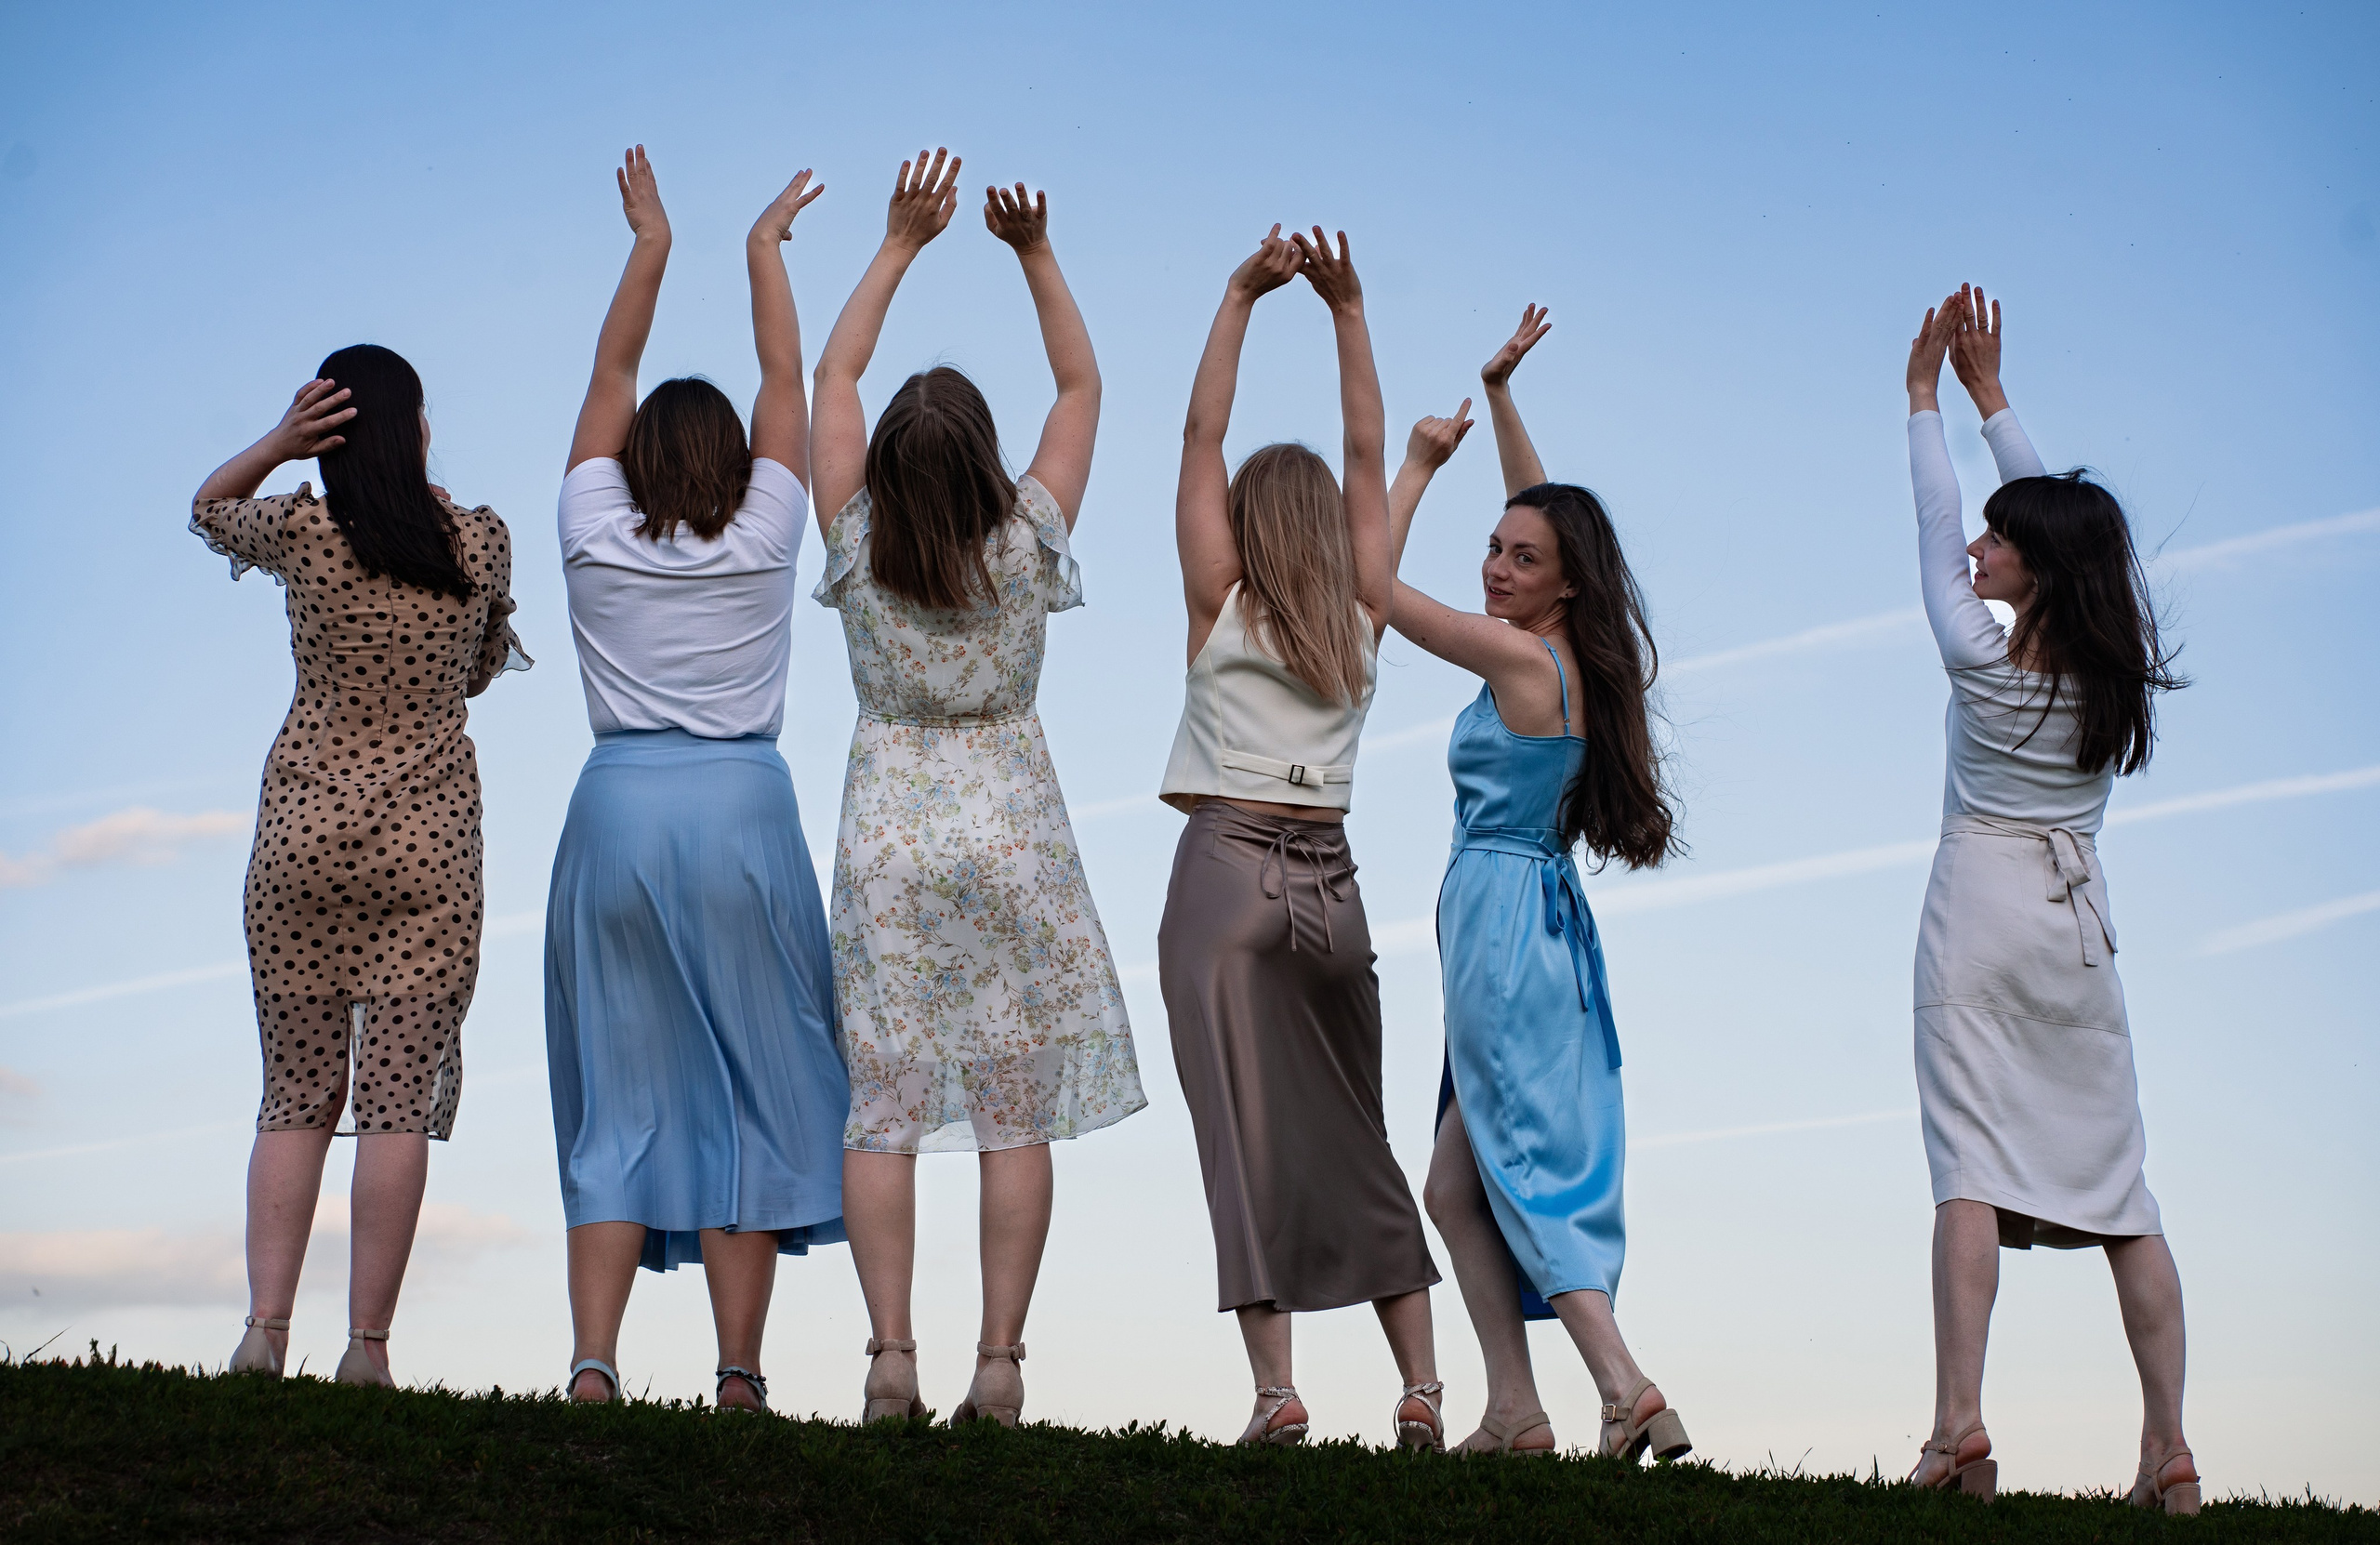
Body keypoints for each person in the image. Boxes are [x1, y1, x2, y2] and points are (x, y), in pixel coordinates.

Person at [810, 149, 1144, 1428]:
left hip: (889, 820)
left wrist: (898, 241)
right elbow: (1082, 381)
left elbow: (832, 375)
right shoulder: (1028, 539)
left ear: (887, 467)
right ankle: (998, 1365)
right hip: (1014, 823)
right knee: (1013, 1103)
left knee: (885, 1098)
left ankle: (890, 1357)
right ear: (986, 465)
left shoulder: (855, 535)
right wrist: (1031, 251)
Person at [544, 148, 847, 1415]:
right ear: (731, 458)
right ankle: (738, 1374)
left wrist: (648, 244)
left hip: (614, 811)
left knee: (617, 1099)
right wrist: (762, 249)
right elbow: (788, 378)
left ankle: (596, 1363)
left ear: (627, 462)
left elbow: (611, 375)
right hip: (740, 810)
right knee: (751, 1095)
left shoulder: (588, 524)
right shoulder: (769, 529)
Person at [1902, 285, 2196, 1511]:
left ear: (2027, 563)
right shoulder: (2115, 658)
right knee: (2121, 1190)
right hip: (2079, 934)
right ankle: (2167, 1448)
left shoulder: (1981, 657)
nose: (1976, 544)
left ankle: (1959, 1425)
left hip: (1981, 911)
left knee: (1969, 1166)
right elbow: (2083, 540)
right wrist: (1992, 399)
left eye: (1996, 537)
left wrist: (1925, 400)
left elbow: (1933, 527)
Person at [1386, 306, 1692, 1461]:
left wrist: (1416, 465)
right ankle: (1514, 1411)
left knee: (1514, 1170)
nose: (1498, 567)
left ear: (1560, 588)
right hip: (1533, 924)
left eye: (1522, 560)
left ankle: (1625, 1383)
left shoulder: (1517, 655)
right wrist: (1503, 396)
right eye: (1494, 549)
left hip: (1502, 924)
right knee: (1456, 1185)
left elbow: (1368, 584)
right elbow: (1551, 518)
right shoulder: (1573, 651)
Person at [1158, 224, 1443, 1450]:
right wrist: (1348, 312)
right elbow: (1371, 446)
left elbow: (1199, 437)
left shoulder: (1222, 597)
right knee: (1356, 1134)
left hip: (1225, 871)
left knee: (1244, 1138)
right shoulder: (1365, 612)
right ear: (1328, 526)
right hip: (1335, 886)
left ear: (1244, 521)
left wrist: (1239, 296)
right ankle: (1423, 1386)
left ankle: (1276, 1387)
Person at [197, 345, 530, 1388]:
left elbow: (208, 508)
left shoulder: (299, 526)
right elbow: (479, 673)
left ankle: (264, 1332)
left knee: (295, 1090)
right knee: (391, 1100)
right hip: (427, 847)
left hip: (301, 840)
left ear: (327, 432)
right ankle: (368, 1351)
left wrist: (279, 446)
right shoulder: (477, 540)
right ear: (417, 428)